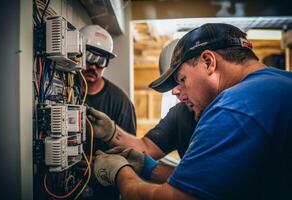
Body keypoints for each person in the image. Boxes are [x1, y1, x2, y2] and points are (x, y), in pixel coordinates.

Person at [92, 23, 292, 200]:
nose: (178, 91)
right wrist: (147, 166)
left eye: (182, 79)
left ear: (208, 62)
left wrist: (120, 174)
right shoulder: (282, 82)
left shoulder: (232, 107)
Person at [87, 39, 197, 183]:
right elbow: (146, 147)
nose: (174, 91)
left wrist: (147, 168)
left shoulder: (228, 117)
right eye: (173, 84)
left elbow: (206, 181)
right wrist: (111, 132)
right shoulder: (181, 113)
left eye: (182, 79)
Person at [79, 25, 137, 200]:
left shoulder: (121, 102)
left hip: (104, 191)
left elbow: (130, 153)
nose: (94, 66)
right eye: (89, 57)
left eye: (101, 61)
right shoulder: (64, 91)